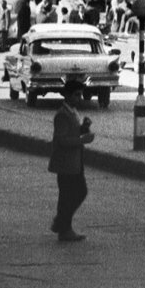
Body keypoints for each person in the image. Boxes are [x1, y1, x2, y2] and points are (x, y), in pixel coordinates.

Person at [49, 74, 95, 242]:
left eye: (80, 94)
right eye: (76, 94)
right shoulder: (62, 115)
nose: (79, 98)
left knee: (74, 193)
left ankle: (62, 225)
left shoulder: (72, 112)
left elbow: (72, 132)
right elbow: (62, 140)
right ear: (67, 95)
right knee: (74, 193)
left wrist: (84, 128)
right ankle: (62, 225)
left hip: (75, 161)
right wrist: (82, 140)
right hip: (66, 162)